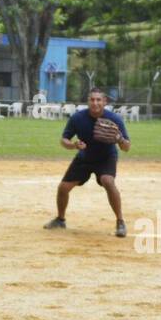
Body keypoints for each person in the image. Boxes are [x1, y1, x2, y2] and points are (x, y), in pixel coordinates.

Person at [43, 87, 132, 238]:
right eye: (92, 99)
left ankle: (120, 221)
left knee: (108, 181)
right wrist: (74, 145)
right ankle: (60, 219)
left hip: (106, 157)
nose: (95, 103)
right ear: (88, 101)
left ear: (105, 102)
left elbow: (127, 148)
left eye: (99, 100)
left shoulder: (115, 120)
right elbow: (64, 140)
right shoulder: (78, 118)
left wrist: (120, 139)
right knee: (63, 188)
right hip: (84, 157)